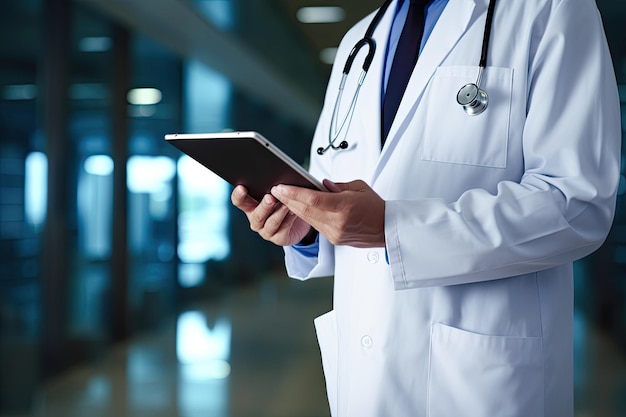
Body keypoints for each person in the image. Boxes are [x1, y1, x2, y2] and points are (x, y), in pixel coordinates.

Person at [232, 0, 621, 415]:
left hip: (482, 383)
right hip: (363, 379)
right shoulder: (358, 42)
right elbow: (333, 190)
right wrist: (306, 229)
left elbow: (577, 202)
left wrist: (394, 228)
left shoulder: (549, 10)